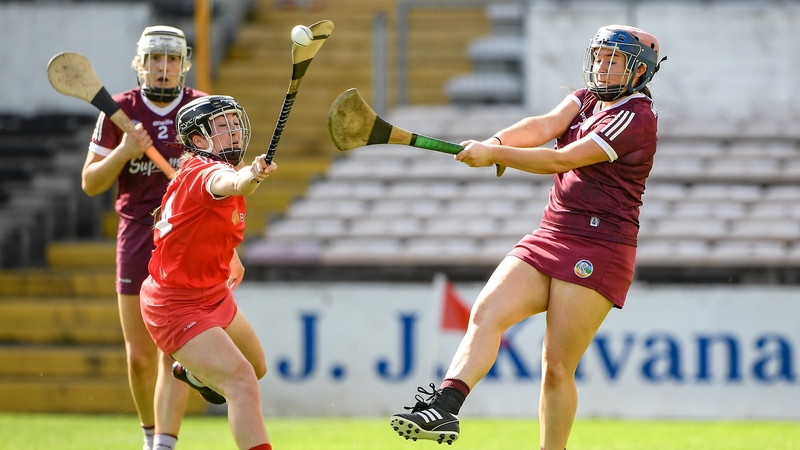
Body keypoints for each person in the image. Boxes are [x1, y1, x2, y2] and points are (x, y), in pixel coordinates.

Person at [389, 25, 667, 450]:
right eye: (599, 56)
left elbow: (562, 159)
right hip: (552, 231)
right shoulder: (587, 98)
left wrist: (494, 155)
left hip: (600, 244)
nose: (602, 66)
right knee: (486, 312)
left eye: (614, 60)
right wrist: (494, 142)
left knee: (556, 367)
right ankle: (444, 407)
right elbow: (543, 126)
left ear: (640, 72)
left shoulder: (636, 117)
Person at [80, 25, 213, 450]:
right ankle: (149, 435)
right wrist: (124, 152)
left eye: (171, 59)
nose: (163, 67)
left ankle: (163, 445)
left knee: (172, 353)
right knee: (139, 356)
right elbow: (90, 182)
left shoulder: (201, 108)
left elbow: (219, 181)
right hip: (137, 235)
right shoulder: (118, 110)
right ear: (141, 63)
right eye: (155, 58)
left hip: (185, 240)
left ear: (183, 64)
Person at [140, 94, 276, 450]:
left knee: (257, 367)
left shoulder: (217, 169)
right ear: (199, 141)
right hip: (175, 305)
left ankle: (192, 373)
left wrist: (229, 254)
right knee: (242, 381)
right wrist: (252, 175)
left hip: (212, 292)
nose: (234, 130)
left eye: (235, 122)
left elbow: (201, 222)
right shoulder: (205, 171)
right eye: (222, 125)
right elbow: (231, 184)